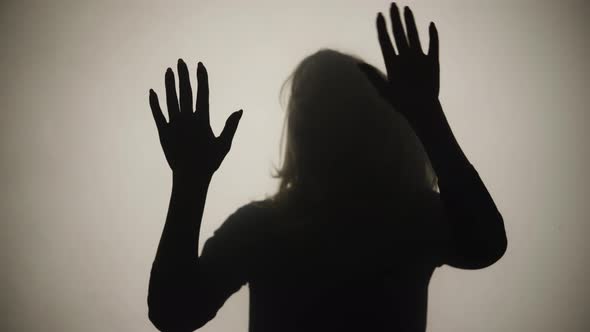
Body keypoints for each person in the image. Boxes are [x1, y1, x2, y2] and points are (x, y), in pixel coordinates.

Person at [146, 3, 507, 331]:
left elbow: (173, 312)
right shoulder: (412, 219)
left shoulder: (263, 227)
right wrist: (428, 119)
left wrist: (190, 181)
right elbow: (485, 244)